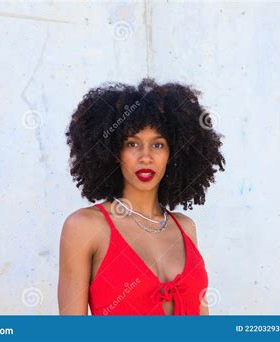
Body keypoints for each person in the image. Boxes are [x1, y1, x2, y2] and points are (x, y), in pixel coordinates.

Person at [57, 78, 225, 315]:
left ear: (173, 152)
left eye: (158, 145)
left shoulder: (185, 228)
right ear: (114, 151)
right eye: (132, 144)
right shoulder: (85, 227)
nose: (145, 157)